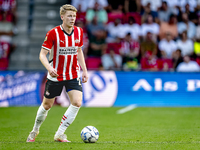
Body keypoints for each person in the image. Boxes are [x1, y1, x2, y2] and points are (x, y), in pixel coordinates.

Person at [26, 4, 88, 143]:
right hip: (56, 75)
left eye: (74, 16)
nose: (72, 19)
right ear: (62, 17)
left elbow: (79, 51)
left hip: (72, 74)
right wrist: (49, 67)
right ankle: (35, 130)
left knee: (77, 102)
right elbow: (42, 54)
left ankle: (60, 134)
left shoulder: (79, 32)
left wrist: (84, 70)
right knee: (47, 105)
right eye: (69, 16)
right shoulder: (53, 33)